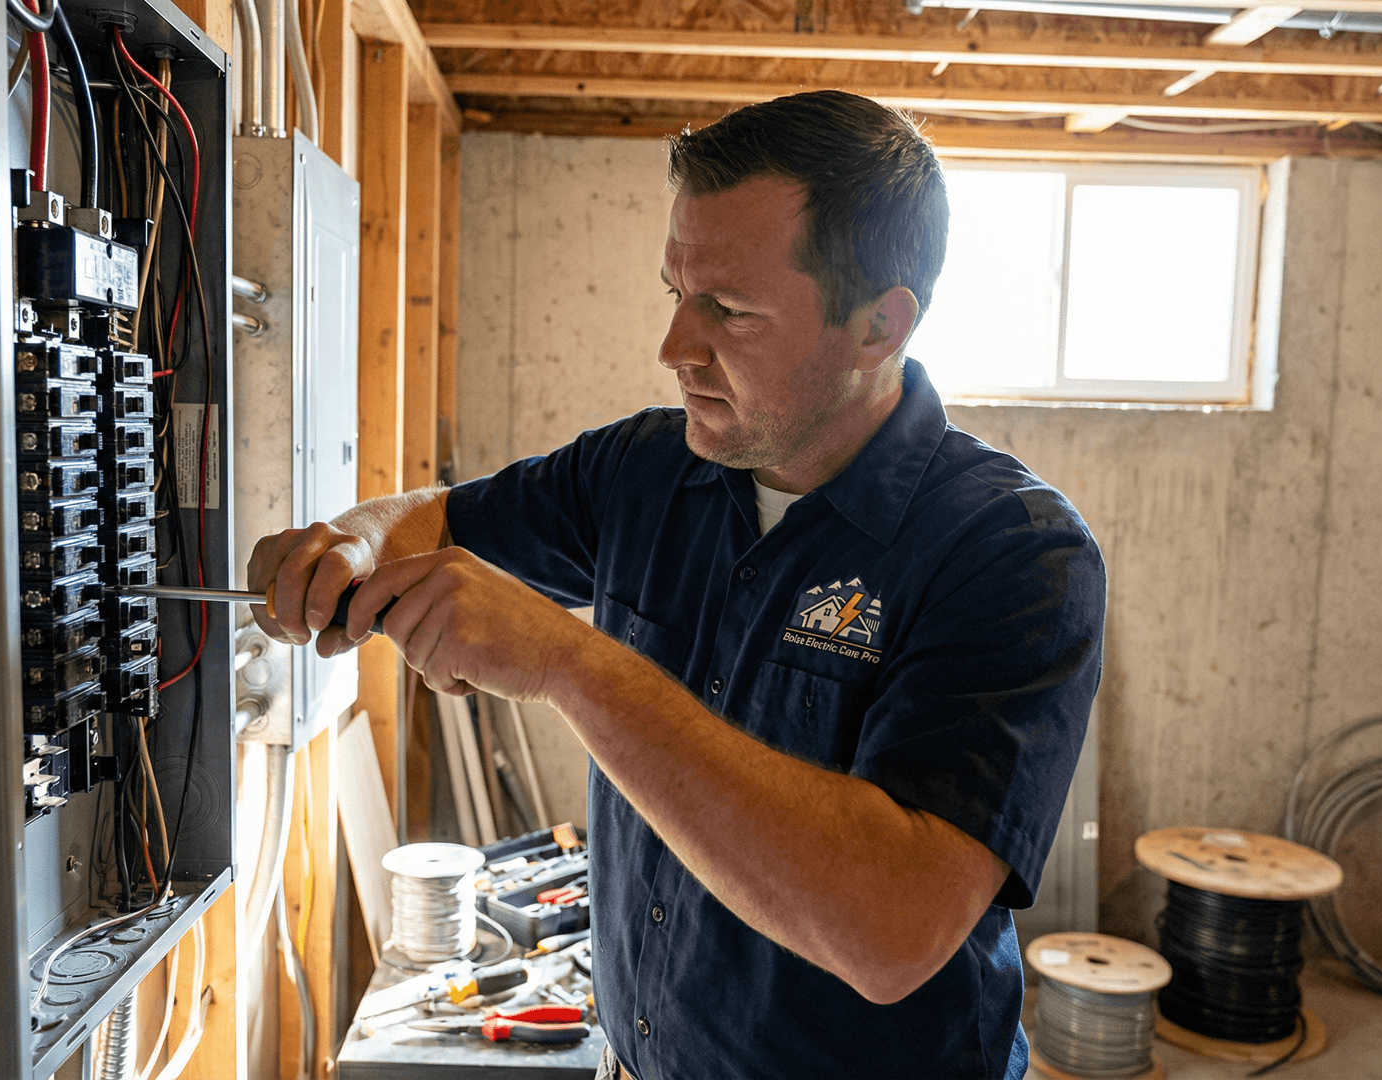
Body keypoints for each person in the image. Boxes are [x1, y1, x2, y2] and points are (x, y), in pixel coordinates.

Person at [248, 90, 1105, 1079]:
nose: (674, 351)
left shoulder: (1012, 552)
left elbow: (891, 933)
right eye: (677, 295)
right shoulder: (645, 473)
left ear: (879, 327)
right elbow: (428, 518)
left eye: (730, 313)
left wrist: (570, 664)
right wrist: (348, 547)